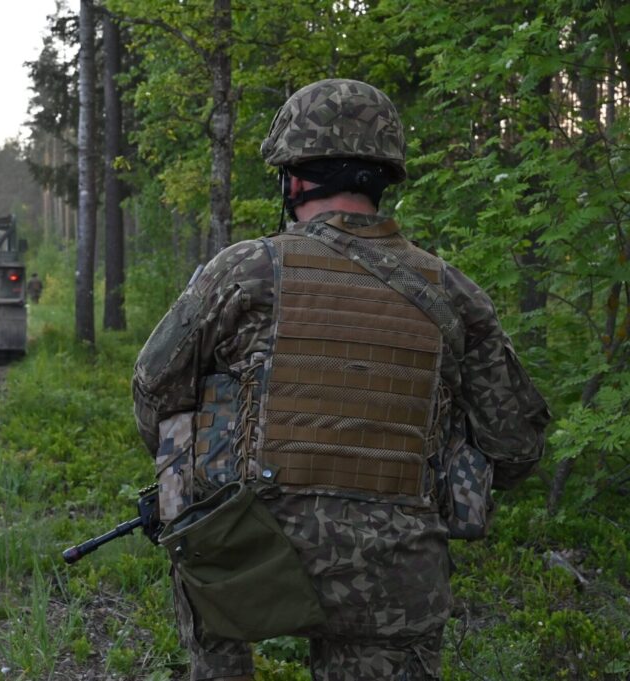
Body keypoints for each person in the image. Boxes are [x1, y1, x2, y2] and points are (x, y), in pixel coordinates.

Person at [131, 79, 550, 681]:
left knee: (187, 483)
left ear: (295, 180)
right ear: (383, 179)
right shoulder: (455, 295)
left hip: (248, 556)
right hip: (396, 575)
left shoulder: (244, 271)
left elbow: (154, 392)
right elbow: (514, 449)